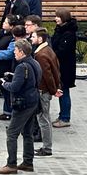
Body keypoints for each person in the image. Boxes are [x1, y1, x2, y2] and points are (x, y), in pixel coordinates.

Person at [0, 39, 42, 174]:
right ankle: (28, 162)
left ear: (21, 52)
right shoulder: (34, 62)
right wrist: (14, 76)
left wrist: (4, 83)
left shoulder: (21, 66)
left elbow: (15, 87)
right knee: (27, 133)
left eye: (15, 50)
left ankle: (11, 164)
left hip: (23, 103)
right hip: (33, 101)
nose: (14, 53)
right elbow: (32, 80)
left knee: (12, 133)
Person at [30, 28, 60, 158]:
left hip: (43, 91)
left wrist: (54, 90)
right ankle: (46, 147)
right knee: (44, 118)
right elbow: (56, 70)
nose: (31, 38)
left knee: (43, 119)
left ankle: (47, 148)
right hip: (47, 90)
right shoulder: (48, 50)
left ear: (40, 39)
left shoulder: (41, 55)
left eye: (33, 36)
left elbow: (47, 75)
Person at [51, 9, 77, 128]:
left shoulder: (68, 33)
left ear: (64, 18)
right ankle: (62, 115)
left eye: (58, 17)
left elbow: (62, 51)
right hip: (60, 66)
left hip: (65, 67)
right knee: (62, 91)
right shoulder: (60, 29)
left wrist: (51, 55)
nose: (56, 19)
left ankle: (65, 118)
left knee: (64, 91)